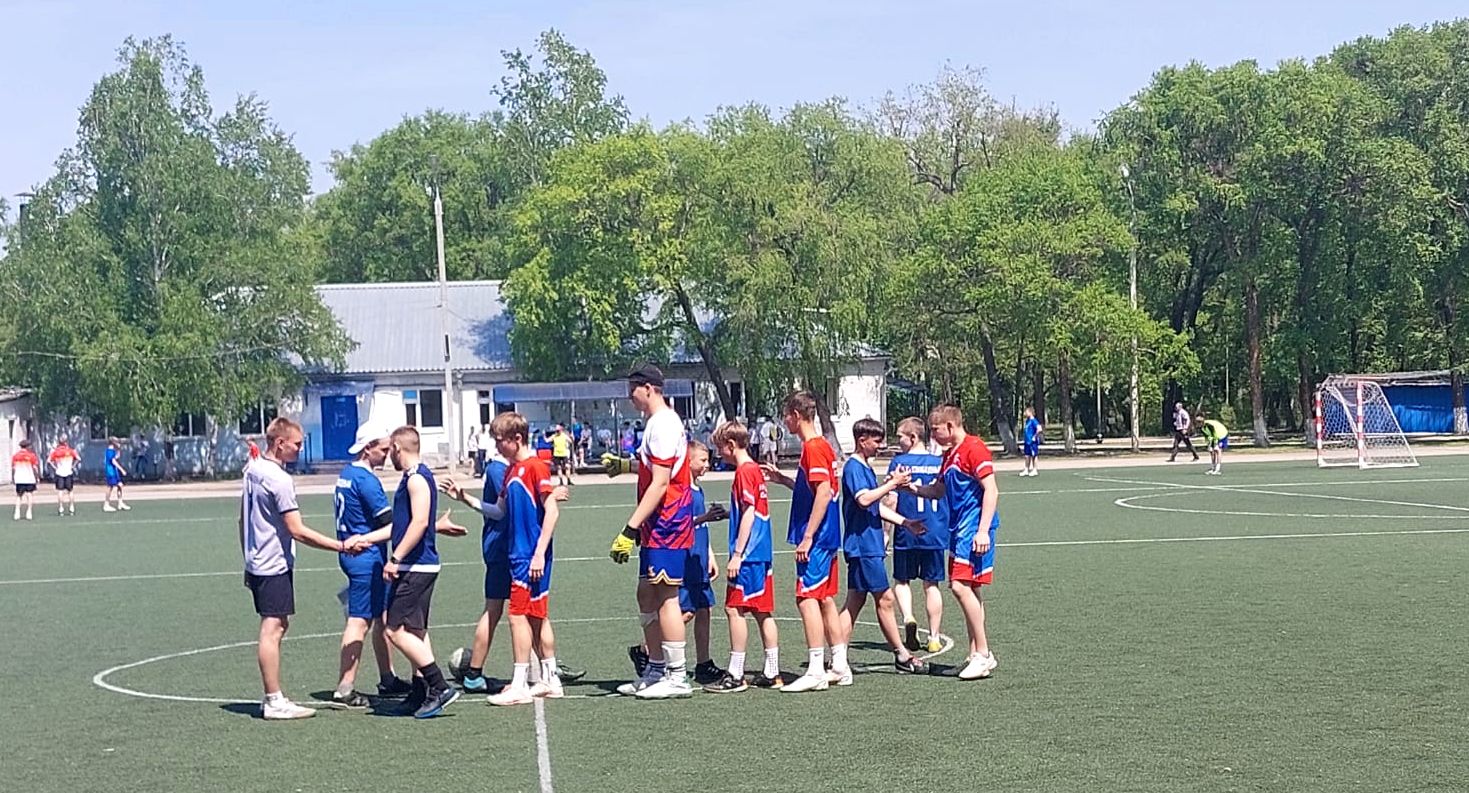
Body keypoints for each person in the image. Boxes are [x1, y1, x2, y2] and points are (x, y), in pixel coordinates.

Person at [240, 417, 365, 720]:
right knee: (273, 627)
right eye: (296, 444)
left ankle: (273, 697)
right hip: (272, 562)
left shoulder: (253, 469)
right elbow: (297, 530)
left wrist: (247, 556)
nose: (300, 449)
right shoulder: (279, 479)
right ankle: (273, 699)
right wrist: (341, 546)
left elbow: (242, 518)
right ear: (280, 443)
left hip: (257, 560)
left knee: (278, 624)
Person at [607, 363, 697, 699]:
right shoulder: (656, 423)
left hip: (667, 521)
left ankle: (677, 676)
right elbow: (656, 468)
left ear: (648, 388)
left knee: (665, 594)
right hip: (656, 522)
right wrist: (627, 465)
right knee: (646, 593)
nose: (629, 396)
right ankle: (656, 669)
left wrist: (629, 529)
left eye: (632, 389)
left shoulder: (663, 424)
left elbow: (661, 483)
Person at [474, 412, 565, 706]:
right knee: (537, 617)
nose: (497, 446)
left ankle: (519, 684)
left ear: (517, 438)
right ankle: (551, 679)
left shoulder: (535, 467)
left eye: (500, 440)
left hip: (529, 556)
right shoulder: (511, 471)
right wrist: (466, 499)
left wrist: (538, 554)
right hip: (520, 554)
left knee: (517, 616)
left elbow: (551, 511)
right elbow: (499, 511)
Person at [907, 404, 1000, 680]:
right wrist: (911, 488)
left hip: (973, 528)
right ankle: (976, 653)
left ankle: (983, 653)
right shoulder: (949, 455)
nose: (933, 435)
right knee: (970, 587)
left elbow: (991, 490)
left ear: (950, 426)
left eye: (935, 430)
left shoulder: (974, 448)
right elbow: (938, 490)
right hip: (958, 529)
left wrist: (983, 531)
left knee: (959, 586)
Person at [761, 390, 846, 693]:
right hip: (827, 536)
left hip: (818, 537)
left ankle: (815, 669)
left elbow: (823, 492)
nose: (785, 422)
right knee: (824, 598)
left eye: (786, 416)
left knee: (806, 597)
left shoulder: (813, 447)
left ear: (796, 415)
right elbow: (812, 487)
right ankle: (840, 664)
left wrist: (808, 536)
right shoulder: (821, 447)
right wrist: (783, 479)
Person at [329, 422, 410, 708]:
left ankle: (388, 677)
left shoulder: (346, 474)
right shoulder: (366, 481)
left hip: (355, 554)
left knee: (381, 617)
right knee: (359, 621)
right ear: (368, 448)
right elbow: (391, 525)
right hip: (365, 557)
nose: (387, 454)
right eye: (383, 449)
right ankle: (345, 687)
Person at [836, 419, 927, 674]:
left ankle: (837, 656)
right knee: (885, 598)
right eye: (876, 441)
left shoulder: (864, 467)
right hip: (863, 545)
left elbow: (875, 506)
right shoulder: (853, 467)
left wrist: (905, 522)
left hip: (868, 544)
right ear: (862, 440)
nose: (881, 445)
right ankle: (902, 654)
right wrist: (892, 484)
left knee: (854, 601)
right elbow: (864, 499)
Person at [379, 426, 458, 718]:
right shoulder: (413, 477)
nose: (388, 456)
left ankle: (439, 686)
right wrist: (367, 539)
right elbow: (402, 525)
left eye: (390, 450)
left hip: (416, 566)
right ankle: (420, 691)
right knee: (415, 630)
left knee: (394, 630)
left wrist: (395, 558)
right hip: (416, 564)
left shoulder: (416, 479)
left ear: (398, 448)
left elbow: (420, 522)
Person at [703, 420, 782, 693]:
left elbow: (749, 512)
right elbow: (750, 509)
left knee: (734, 608)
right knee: (761, 611)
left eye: (720, 448)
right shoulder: (754, 470)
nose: (718, 454)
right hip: (761, 551)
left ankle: (736, 674)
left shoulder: (745, 472)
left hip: (749, 554)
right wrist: (728, 514)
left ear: (731, 445)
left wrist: (737, 554)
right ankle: (772, 670)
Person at [887, 417, 948, 654]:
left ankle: (909, 617)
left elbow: (891, 500)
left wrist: (886, 533)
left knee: (902, 580)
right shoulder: (939, 462)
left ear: (913, 438)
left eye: (900, 437)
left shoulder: (899, 463)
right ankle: (934, 637)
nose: (898, 442)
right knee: (931, 584)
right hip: (934, 531)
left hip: (907, 530)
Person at [677, 440, 728, 685]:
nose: (707, 464)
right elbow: (680, 524)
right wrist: (705, 517)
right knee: (686, 611)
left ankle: (703, 662)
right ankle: (649, 649)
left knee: (704, 608)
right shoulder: (682, 490)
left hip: (699, 557)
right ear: (688, 461)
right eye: (703, 460)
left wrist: (710, 554)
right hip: (687, 558)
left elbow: (701, 527)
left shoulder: (698, 488)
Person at [47, 437, 80, 516]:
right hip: (69, 472)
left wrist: (55, 467)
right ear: (66, 442)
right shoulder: (71, 451)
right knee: (70, 491)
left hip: (59, 473)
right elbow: (78, 459)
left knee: (60, 491)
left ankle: (61, 508)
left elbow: (48, 461)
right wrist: (73, 466)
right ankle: (71, 507)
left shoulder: (55, 452)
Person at [11, 439, 39, 521]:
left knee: (19, 496)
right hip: (29, 479)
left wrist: (13, 477)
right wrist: (37, 477)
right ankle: (29, 512)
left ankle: (17, 513)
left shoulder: (15, 456)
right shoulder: (32, 456)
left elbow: (13, 468)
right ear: (27, 446)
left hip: (19, 479)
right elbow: (35, 468)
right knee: (29, 495)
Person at [1197, 411, 1229, 475]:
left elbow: (1215, 434)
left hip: (1221, 434)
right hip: (1214, 437)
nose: (1198, 423)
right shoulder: (1201, 428)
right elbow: (1207, 436)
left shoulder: (1209, 425)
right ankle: (1213, 467)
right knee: (1211, 451)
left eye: (1199, 422)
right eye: (1197, 422)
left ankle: (1217, 468)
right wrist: (1209, 444)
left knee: (1218, 450)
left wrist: (1216, 443)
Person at [103, 437, 129, 512]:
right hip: (110, 471)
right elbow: (113, 461)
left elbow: (117, 457)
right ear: (113, 442)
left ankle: (120, 503)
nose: (118, 443)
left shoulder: (113, 451)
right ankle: (106, 504)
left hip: (115, 471)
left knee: (120, 485)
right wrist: (122, 469)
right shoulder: (109, 451)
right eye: (117, 442)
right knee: (110, 487)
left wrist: (119, 449)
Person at [1021, 407, 1042, 477]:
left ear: (1030, 412)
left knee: (1034, 455)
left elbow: (1039, 429)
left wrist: (1034, 436)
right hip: (1027, 441)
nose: (1025, 413)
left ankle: (1035, 470)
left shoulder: (1034, 421)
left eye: (1026, 412)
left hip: (1032, 442)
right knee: (1027, 455)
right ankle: (1026, 469)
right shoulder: (1028, 421)